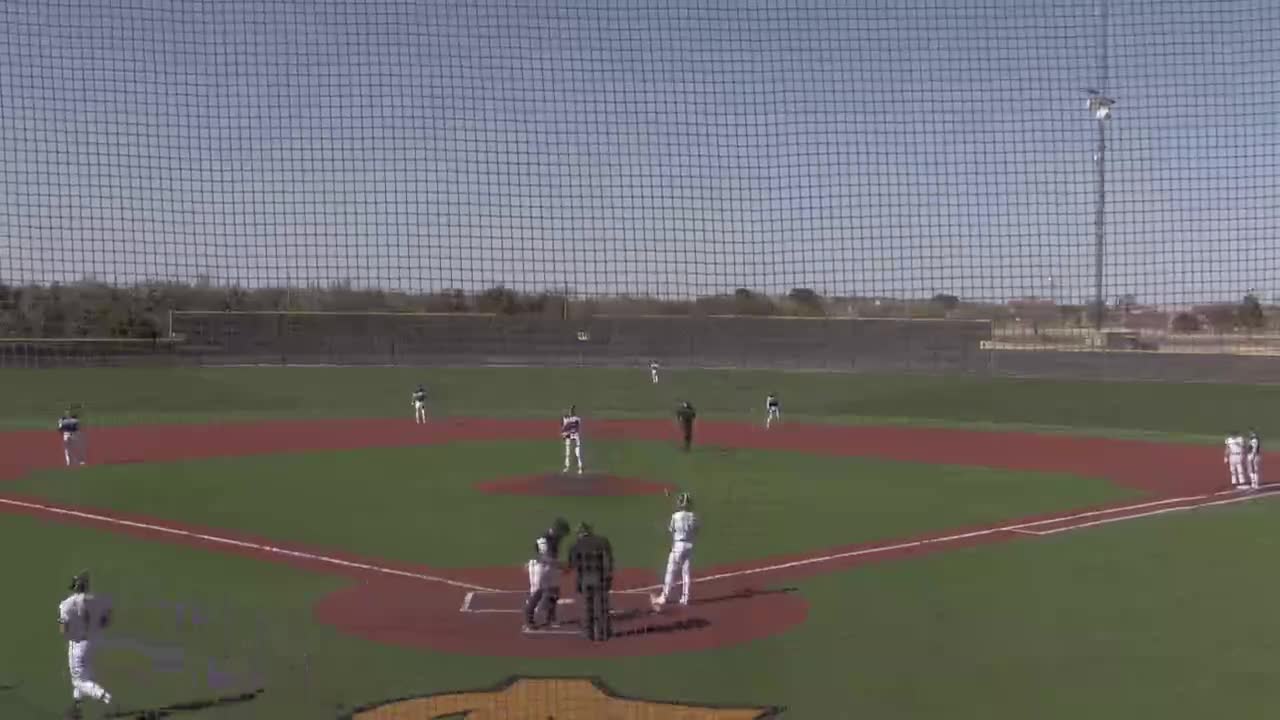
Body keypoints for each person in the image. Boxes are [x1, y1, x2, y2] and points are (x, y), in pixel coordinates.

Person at [58, 571, 112, 717]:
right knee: (85, 675)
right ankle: (77, 706)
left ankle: (106, 698)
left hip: (77, 644)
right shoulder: (95, 601)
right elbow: (106, 621)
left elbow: (62, 629)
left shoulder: (65, 604)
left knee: (78, 681)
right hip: (92, 643)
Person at [652, 492, 699, 611]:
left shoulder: (675, 516)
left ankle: (664, 597)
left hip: (678, 545)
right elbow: (696, 529)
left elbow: (671, 529)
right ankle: (685, 598)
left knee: (670, 571)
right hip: (689, 545)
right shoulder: (693, 516)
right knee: (686, 572)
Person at [567, 522, 614, 641]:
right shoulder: (602, 541)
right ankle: (603, 633)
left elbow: (572, 565)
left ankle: (589, 634)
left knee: (587, 607)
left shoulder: (575, 545)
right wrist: (608, 576)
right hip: (600, 577)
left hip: (585, 579)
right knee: (602, 606)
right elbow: (609, 559)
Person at [523, 518, 570, 629]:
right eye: (562, 533)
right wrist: (561, 565)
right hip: (542, 568)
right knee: (538, 592)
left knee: (554, 591)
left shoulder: (556, 537)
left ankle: (551, 617)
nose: (563, 536)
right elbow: (545, 557)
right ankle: (529, 619)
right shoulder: (543, 539)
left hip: (551, 566)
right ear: (557, 530)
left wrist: (558, 565)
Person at [561, 405, 585, 474]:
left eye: (571, 411)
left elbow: (575, 427)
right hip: (569, 436)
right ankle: (567, 467)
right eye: (570, 411)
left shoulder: (576, 419)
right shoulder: (568, 419)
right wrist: (564, 435)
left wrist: (565, 433)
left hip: (575, 436)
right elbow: (564, 428)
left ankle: (580, 467)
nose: (571, 413)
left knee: (578, 453)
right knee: (567, 453)